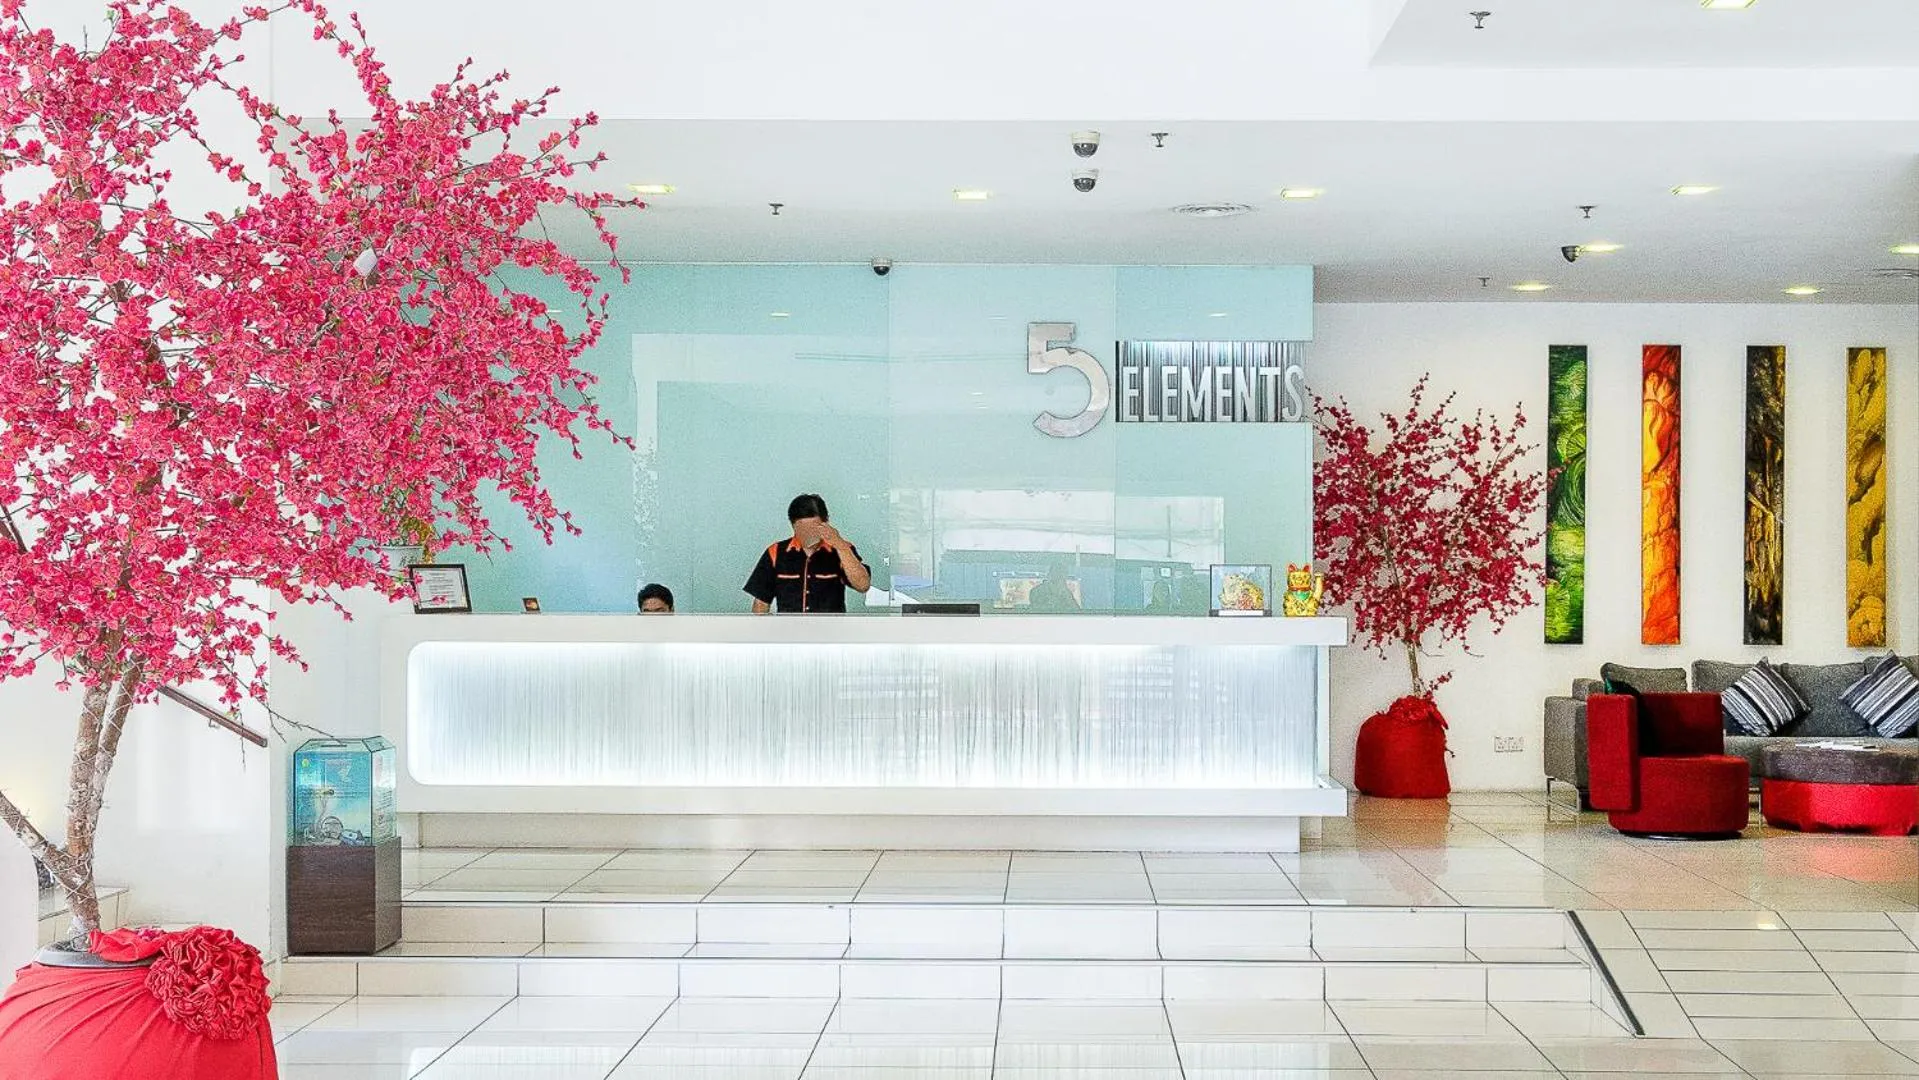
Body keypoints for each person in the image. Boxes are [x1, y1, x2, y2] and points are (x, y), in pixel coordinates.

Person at [743, 494, 871, 613]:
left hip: (831, 634)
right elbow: (761, 604)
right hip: (788, 633)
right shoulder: (775, 552)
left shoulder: (842, 549)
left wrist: (841, 546)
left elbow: (863, 585)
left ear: (826, 522)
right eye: (802, 529)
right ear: (793, 525)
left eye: (814, 528)